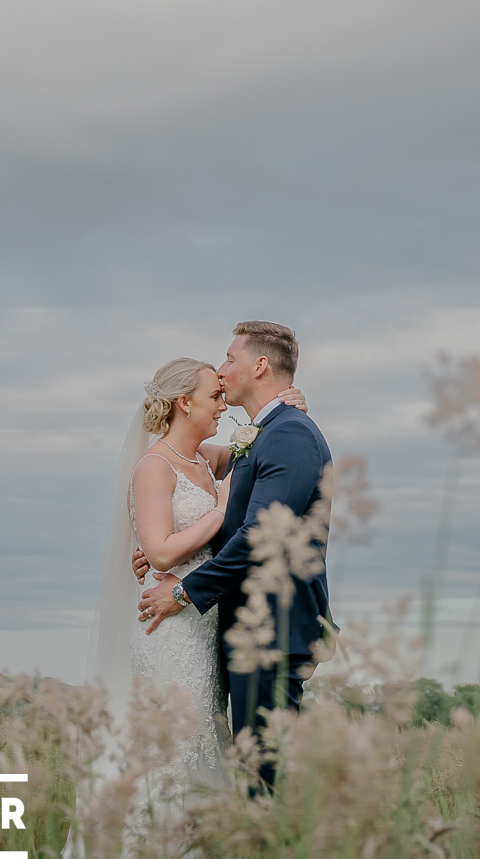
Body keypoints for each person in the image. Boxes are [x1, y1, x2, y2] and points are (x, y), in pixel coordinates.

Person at [86, 350, 308, 785]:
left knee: (206, 735)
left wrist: (291, 405)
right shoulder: (153, 466)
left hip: (202, 622)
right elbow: (163, 553)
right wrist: (220, 511)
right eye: (215, 398)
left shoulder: (206, 459)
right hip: (168, 626)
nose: (223, 407)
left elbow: (264, 446)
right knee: (175, 745)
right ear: (185, 402)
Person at [137, 321, 333, 754]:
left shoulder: (289, 433)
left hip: (272, 632)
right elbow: (182, 472)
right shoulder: (262, 437)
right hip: (238, 629)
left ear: (260, 365)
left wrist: (186, 589)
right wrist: (157, 550)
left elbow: (262, 534)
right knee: (244, 769)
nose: (223, 372)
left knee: (261, 774)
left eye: (230, 358)